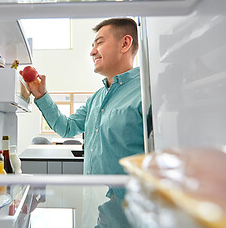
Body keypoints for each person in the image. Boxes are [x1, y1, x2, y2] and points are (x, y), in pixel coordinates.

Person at [20, 18, 144, 202]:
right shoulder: (96, 99)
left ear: (125, 44)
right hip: (92, 207)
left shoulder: (145, 93)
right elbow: (66, 128)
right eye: (93, 45)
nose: (92, 51)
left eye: (100, 43)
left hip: (127, 214)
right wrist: (41, 96)